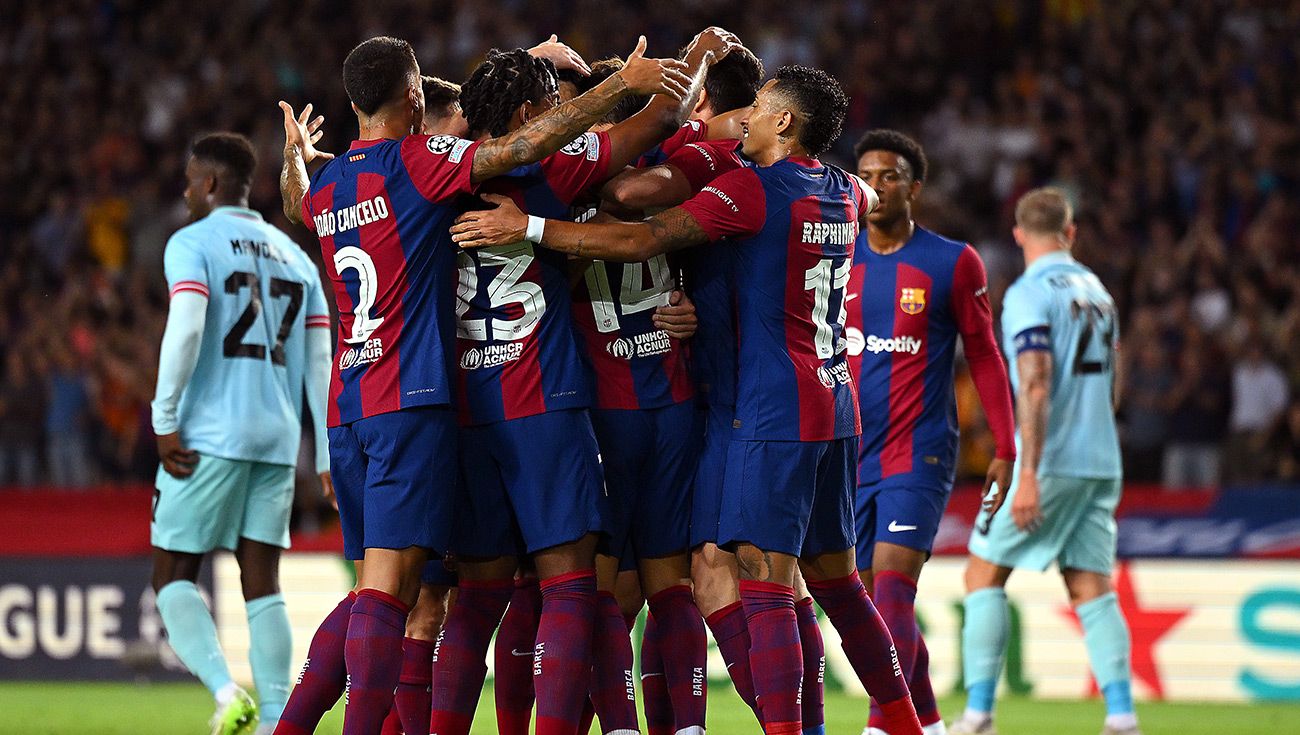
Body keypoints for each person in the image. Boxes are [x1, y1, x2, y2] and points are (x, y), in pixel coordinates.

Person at [451, 64, 925, 735]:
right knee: (827, 584)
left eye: (759, 108)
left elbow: (641, 232)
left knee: (759, 586)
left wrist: (530, 227)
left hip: (769, 412)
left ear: (784, 123)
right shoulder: (847, 191)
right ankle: (905, 722)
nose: (748, 117)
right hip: (832, 405)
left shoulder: (751, 191)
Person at [275, 35, 692, 735]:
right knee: (559, 588)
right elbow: (522, 147)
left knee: (449, 599)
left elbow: (299, 201)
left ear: (352, 104)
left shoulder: (342, 181)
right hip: (506, 400)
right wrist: (625, 86)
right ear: (412, 98)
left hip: (410, 408)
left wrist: (294, 157)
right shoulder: (444, 168)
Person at [431, 32, 733, 735]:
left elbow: (447, 114)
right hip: (548, 401)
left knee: (480, 600)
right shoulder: (561, 171)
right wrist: (692, 56)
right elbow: (664, 116)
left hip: (468, 408)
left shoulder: (430, 172)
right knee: (571, 589)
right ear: (536, 109)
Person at [149, 132, 332, 735]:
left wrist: (164, 417)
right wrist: (327, 456)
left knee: (173, 573)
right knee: (262, 582)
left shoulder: (191, 243)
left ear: (208, 184)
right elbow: (320, 361)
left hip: (208, 434)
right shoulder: (294, 255)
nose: (184, 190)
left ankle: (229, 694)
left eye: (188, 180)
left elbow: (187, 325)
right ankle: (279, 716)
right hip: (277, 440)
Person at [950, 188, 1140, 735]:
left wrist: (1027, 472)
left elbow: (1033, 384)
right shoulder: (1098, 292)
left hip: (1050, 461)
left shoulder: (1030, 294)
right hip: (1102, 461)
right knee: (1091, 589)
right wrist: (1095, 428)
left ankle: (981, 714)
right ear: (1070, 231)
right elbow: (1116, 381)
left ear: (1018, 234)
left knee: (982, 573)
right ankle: (1123, 718)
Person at [846, 130, 1016, 735]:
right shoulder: (835, 260)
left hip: (920, 452)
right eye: (865, 174)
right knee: (866, 606)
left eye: (888, 175)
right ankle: (931, 724)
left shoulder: (951, 262)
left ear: (914, 187)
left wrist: (1006, 444)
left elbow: (985, 355)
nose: (875, 185)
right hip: (847, 457)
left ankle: (880, 724)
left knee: (892, 590)